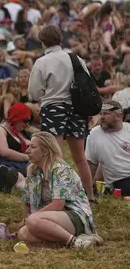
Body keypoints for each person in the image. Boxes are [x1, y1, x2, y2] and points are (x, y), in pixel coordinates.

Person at [28, 25, 95, 201]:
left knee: (55, 155)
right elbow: (88, 83)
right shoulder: (76, 58)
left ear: (42, 42)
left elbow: (34, 93)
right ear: (60, 39)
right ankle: (90, 194)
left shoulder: (42, 62)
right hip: (77, 109)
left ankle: (58, 195)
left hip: (53, 108)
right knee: (80, 157)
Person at [18, 132, 103, 248]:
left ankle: (75, 242)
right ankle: (75, 241)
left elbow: (58, 204)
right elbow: (27, 203)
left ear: (46, 151)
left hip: (75, 215)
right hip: (47, 218)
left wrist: (32, 218)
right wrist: (26, 220)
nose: (27, 151)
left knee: (33, 220)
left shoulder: (60, 170)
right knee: (23, 233)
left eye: (32, 147)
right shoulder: (33, 172)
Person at [86, 100, 130, 195]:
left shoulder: (128, 129)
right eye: (101, 113)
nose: (102, 117)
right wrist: (87, 189)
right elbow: (91, 165)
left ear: (118, 116)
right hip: (120, 181)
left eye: (106, 113)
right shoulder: (95, 134)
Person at [0, 103, 33, 193]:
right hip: (7, 165)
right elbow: (4, 152)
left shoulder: (24, 133)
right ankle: (31, 192)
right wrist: (27, 157)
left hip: (27, 165)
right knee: (18, 176)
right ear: (16, 117)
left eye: (29, 121)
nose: (26, 124)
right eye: (25, 120)